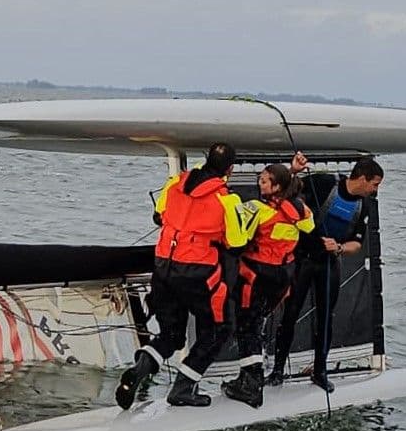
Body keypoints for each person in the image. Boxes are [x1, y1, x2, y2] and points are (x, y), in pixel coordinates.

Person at [116, 142, 247, 409]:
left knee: (171, 335)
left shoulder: (175, 183)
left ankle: (140, 369)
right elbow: (237, 242)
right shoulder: (227, 199)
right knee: (219, 331)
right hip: (199, 275)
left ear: (205, 159)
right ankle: (183, 388)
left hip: (163, 269)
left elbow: (158, 216)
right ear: (230, 170)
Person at [266, 153, 384, 393]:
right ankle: (277, 370)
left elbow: (357, 244)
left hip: (329, 263)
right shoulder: (325, 183)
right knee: (290, 314)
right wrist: (294, 170)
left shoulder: (364, 205)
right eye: (375, 183)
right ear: (362, 178)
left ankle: (320, 371)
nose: (375, 189)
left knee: (325, 319)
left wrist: (339, 247)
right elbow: (287, 193)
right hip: (302, 260)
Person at [221, 164, 314, 408]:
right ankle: (248, 377)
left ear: (276, 186)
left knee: (246, 326)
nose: (259, 184)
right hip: (283, 277)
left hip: (255, 276)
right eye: (260, 180)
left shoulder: (257, 209)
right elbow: (310, 228)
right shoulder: (300, 209)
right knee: (257, 323)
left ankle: (251, 386)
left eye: (264, 181)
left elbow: (239, 239)